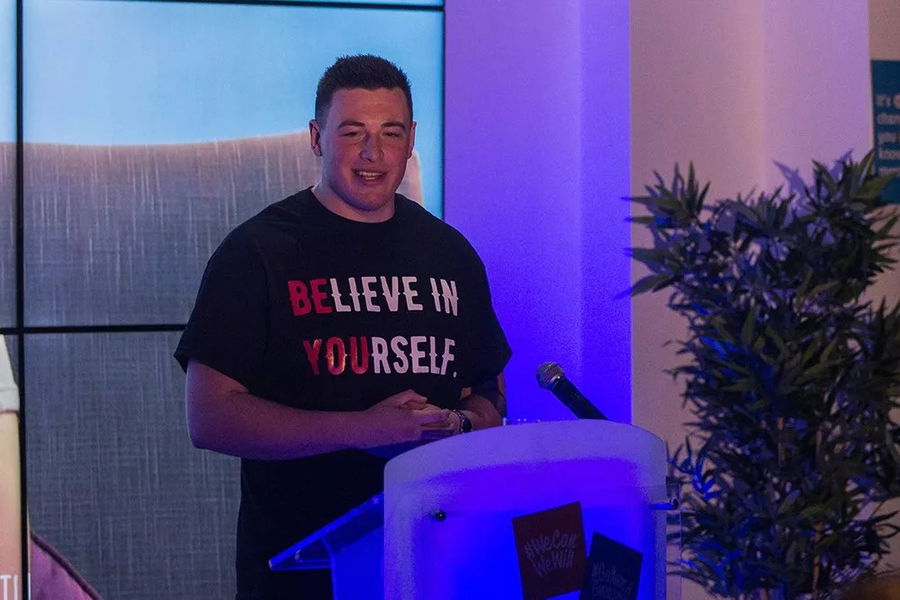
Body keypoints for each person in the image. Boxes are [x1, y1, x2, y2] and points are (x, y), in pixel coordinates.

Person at [175, 54, 511, 600]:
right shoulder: (258, 252)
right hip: (299, 574)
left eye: (390, 133)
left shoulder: (451, 254)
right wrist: (365, 428)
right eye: (353, 132)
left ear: (411, 140)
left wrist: (457, 426)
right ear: (316, 137)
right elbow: (210, 418)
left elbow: (490, 395)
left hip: (437, 567)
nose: (372, 153)